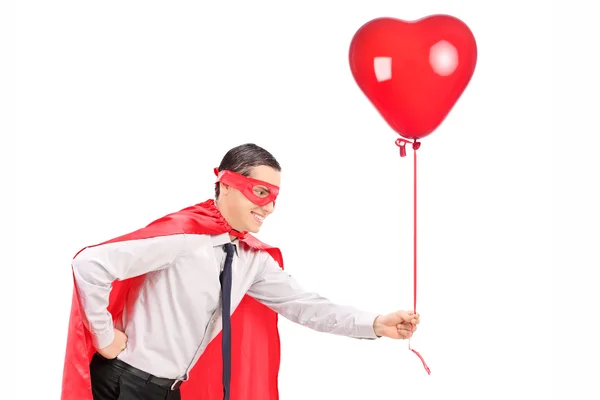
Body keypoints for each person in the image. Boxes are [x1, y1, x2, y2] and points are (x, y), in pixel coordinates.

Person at [61, 143, 421, 400]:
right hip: (124, 383)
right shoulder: (183, 236)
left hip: (169, 390)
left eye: (274, 197)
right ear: (227, 184)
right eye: (260, 192)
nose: (269, 207)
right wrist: (104, 339)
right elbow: (90, 265)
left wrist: (375, 323)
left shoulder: (251, 258)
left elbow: (304, 305)